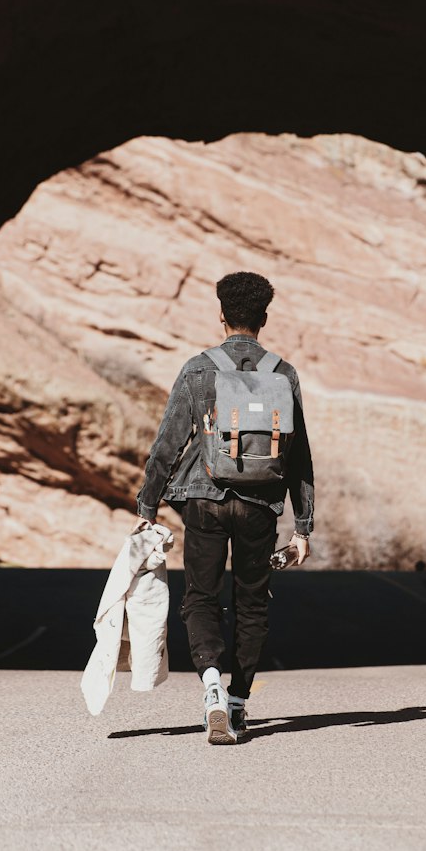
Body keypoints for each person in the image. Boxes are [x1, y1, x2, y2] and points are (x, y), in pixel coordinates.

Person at [135, 271, 314, 744]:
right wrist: (303, 527)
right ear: (264, 318)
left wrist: (147, 505)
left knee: (200, 598)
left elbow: (168, 444)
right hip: (260, 503)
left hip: (204, 499)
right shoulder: (283, 373)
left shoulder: (199, 368)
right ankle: (237, 703)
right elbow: (299, 456)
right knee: (252, 603)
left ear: (221, 315)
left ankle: (211, 686)